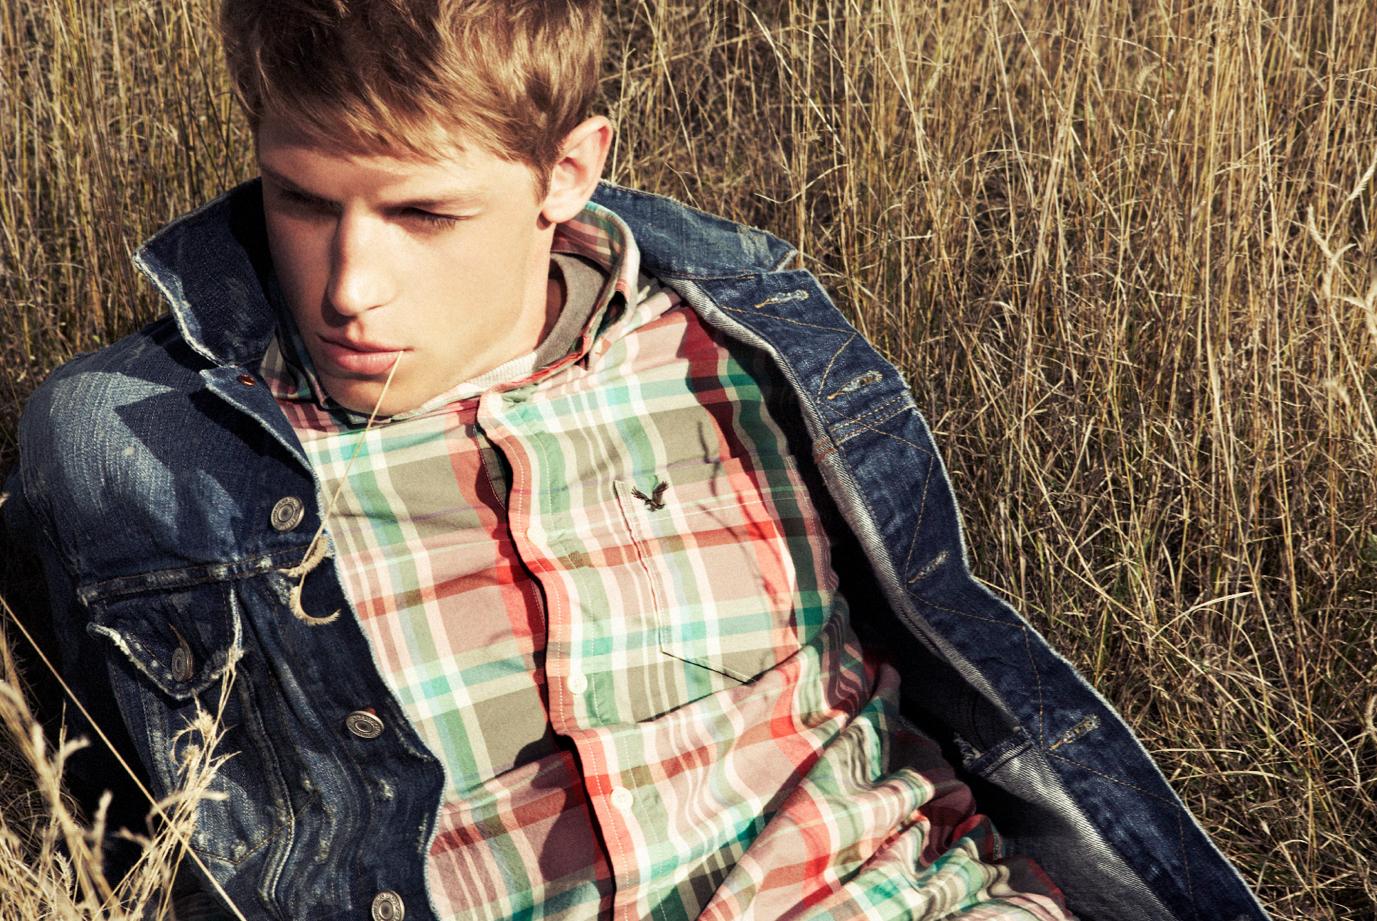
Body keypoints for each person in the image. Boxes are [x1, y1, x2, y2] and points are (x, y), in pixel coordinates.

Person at [0, 1, 1269, 919]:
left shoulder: (742, 336)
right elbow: (104, 821)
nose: (351, 286)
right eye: (301, 200)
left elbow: (936, 653)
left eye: (425, 212)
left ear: (570, 171)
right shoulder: (136, 447)